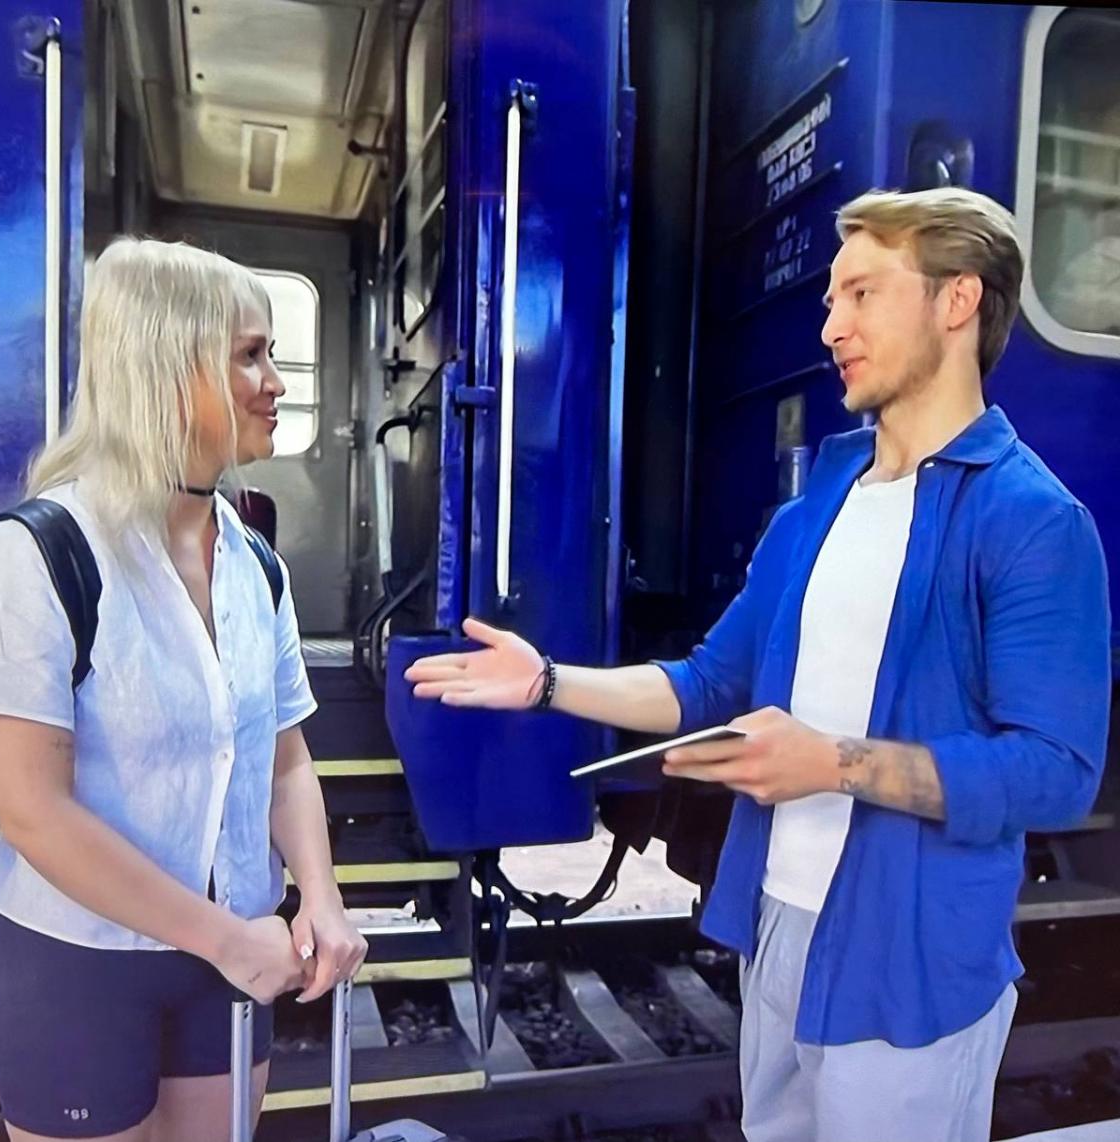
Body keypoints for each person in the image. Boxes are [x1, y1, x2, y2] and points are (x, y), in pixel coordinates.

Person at [405, 188, 1112, 1142]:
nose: (832, 326)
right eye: (831, 300)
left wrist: (834, 764)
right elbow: (709, 684)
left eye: (862, 294)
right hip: (780, 925)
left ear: (957, 301)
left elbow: (1056, 773)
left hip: (910, 962)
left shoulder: (1032, 521)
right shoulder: (815, 508)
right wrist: (549, 684)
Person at [0, 238, 367, 1142]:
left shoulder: (255, 563)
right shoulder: (32, 556)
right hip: (81, 964)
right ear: (166, 367)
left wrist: (321, 897)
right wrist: (228, 939)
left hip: (228, 963)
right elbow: (34, 813)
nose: (275, 383)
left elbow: (284, 759)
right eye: (250, 355)